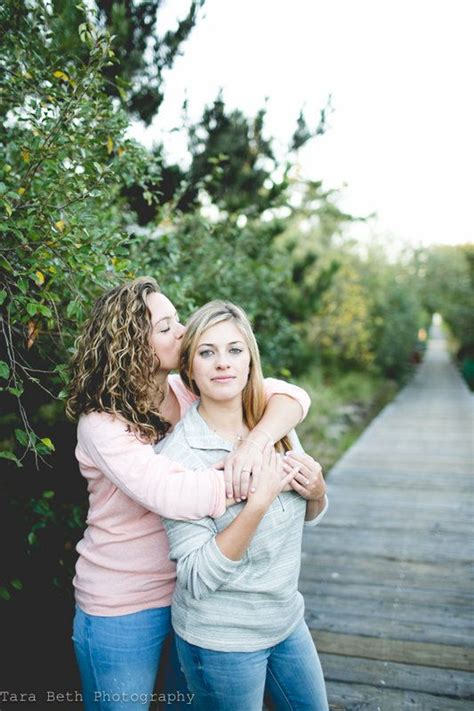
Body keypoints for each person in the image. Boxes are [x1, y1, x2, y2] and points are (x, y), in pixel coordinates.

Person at [66, 277, 312, 711]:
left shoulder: (184, 390)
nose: (180, 332)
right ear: (132, 345)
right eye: (165, 327)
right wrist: (263, 479)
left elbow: (289, 396)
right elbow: (172, 493)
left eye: (178, 320)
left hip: (194, 596)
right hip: (125, 600)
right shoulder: (101, 424)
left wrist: (256, 446)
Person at [156, 300, 329, 711]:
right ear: (190, 369)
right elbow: (195, 577)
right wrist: (255, 506)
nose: (223, 363)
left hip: (286, 620)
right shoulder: (178, 458)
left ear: (251, 360)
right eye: (207, 352)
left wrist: (318, 491)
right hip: (222, 639)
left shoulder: (273, 426)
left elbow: (310, 514)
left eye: (235, 350)